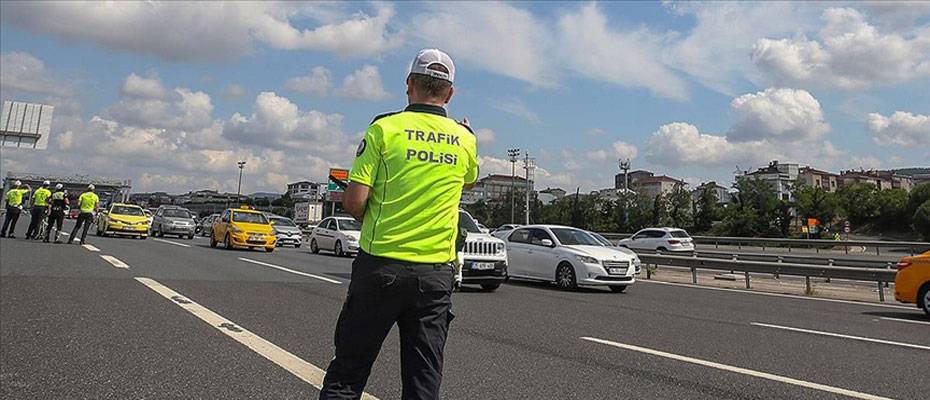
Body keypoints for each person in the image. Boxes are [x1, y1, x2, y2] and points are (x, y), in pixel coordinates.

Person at [320, 49, 478, 400]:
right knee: (423, 381)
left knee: (348, 373)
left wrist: (378, 218)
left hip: (381, 267)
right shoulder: (465, 139)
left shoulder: (384, 129)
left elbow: (354, 200)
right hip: (435, 274)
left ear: (409, 85)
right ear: (449, 94)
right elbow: (466, 182)